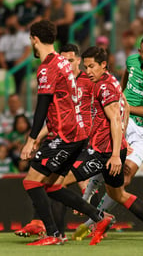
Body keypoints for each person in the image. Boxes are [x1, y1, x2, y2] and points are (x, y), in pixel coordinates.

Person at [73, 34, 143, 240]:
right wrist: (116, 102)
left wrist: (126, 106)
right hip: (121, 119)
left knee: (125, 176)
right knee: (106, 159)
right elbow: (121, 86)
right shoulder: (131, 61)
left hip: (142, 130)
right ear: (139, 52)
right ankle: (95, 214)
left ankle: (95, 219)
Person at [19, 20, 111, 246]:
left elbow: (42, 106)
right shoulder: (63, 62)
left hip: (65, 135)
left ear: (34, 39)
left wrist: (31, 141)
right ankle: (99, 218)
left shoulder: (47, 67)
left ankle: (52, 234)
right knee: (52, 186)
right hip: (77, 133)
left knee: (31, 182)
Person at [15, 43, 95, 240]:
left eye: (70, 61)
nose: (66, 64)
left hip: (82, 139)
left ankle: (56, 229)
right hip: (63, 136)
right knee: (52, 184)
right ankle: (55, 229)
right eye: (64, 60)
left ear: (78, 61)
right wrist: (39, 136)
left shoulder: (88, 82)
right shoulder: (63, 81)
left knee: (48, 182)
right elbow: (58, 118)